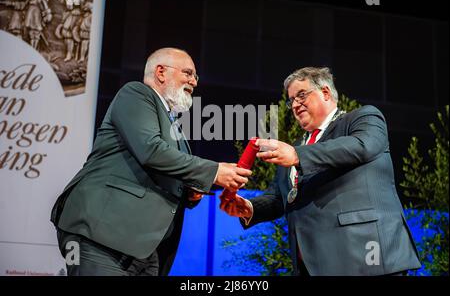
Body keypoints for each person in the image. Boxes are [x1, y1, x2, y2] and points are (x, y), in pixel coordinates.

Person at [51, 47, 252, 276]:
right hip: (101, 236)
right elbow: (151, 150)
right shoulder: (136, 93)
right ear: (161, 72)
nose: (193, 82)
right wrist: (215, 171)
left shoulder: (173, 125)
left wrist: (188, 191)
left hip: (145, 250)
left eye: (195, 76)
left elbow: (163, 168)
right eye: (188, 73)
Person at [220, 67, 421, 276]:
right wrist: (249, 208)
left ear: (325, 93)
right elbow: (280, 196)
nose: (295, 104)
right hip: (312, 264)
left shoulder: (364, 118)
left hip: (367, 255)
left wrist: (298, 156)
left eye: (301, 95)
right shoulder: (296, 147)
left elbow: (362, 146)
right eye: (291, 100)